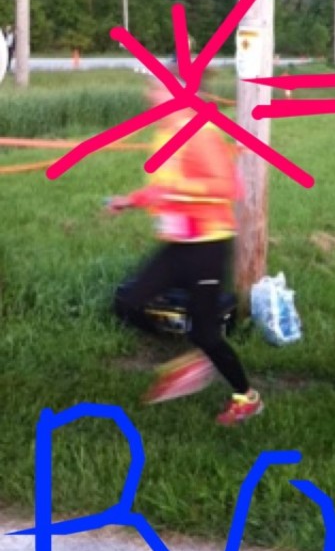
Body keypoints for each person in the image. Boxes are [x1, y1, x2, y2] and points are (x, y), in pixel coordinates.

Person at [108, 77, 263, 426]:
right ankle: (193, 360)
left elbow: (230, 187)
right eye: (151, 91)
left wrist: (180, 188)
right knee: (127, 301)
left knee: (205, 334)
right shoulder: (165, 135)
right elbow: (162, 188)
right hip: (178, 244)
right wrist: (130, 200)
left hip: (208, 244)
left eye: (159, 92)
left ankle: (246, 398)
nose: (151, 98)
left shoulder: (201, 134)